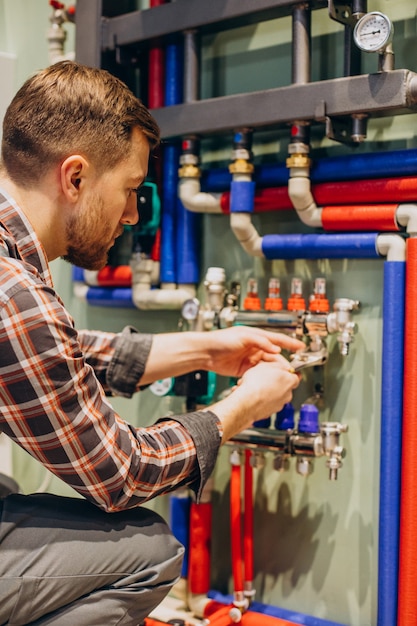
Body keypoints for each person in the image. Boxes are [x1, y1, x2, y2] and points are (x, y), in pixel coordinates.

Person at [0, 61, 302, 626]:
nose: (136, 214)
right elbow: (121, 474)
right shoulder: (14, 291)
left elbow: (54, 355)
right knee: (148, 552)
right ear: (75, 177)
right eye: (132, 190)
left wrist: (207, 348)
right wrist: (242, 406)